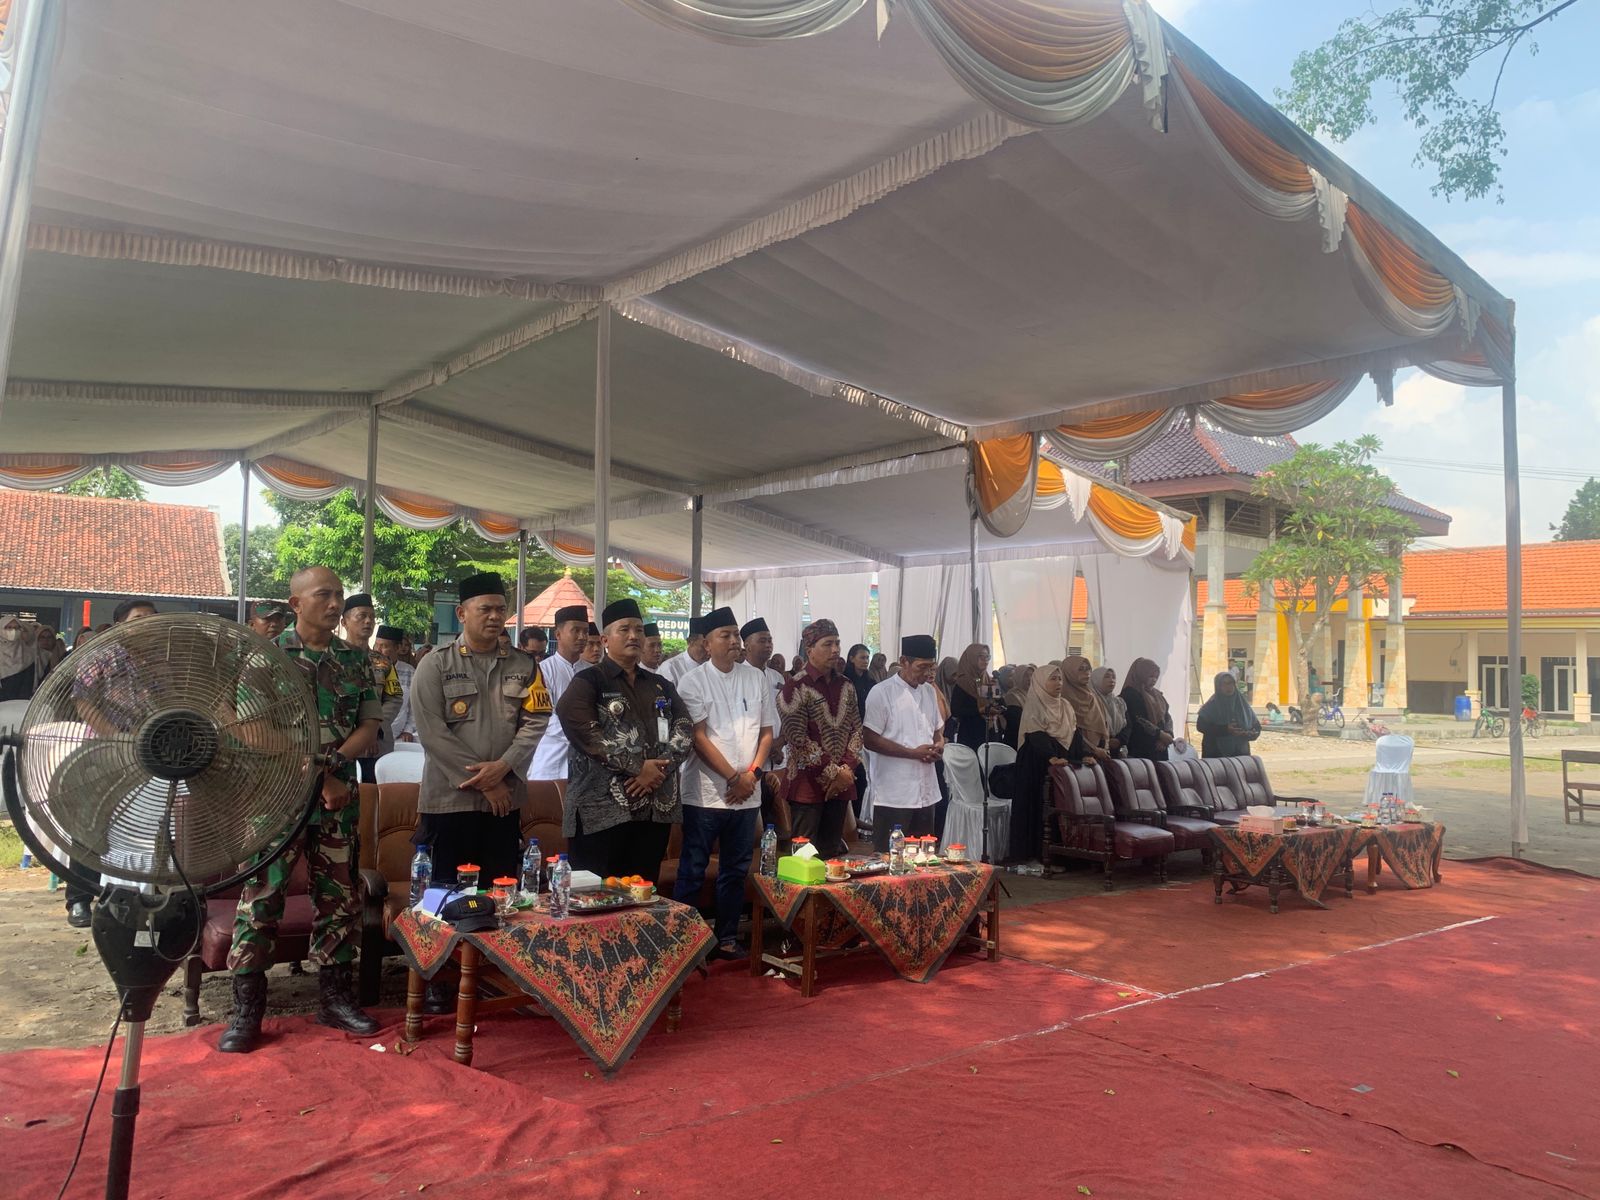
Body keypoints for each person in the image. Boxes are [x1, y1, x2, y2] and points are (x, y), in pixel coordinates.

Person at [222, 566, 382, 1053]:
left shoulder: (356, 660)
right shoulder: (264, 658)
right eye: (323, 595)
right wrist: (320, 775)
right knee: (262, 900)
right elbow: (253, 731)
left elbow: (368, 726)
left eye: (339, 595)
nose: (335, 604)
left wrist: (336, 767)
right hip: (277, 800)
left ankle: (335, 999)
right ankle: (247, 1011)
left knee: (339, 899)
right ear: (296, 604)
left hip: (337, 803)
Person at [411, 573, 548, 887]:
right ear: (461, 613)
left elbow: (536, 721)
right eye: (485, 609)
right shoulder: (435, 664)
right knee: (447, 895)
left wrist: (503, 767)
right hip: (450, 801)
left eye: (500, 609)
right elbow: (432, 732)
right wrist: (486, 782)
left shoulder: (525, 665)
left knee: (500, 892)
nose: (495, 616)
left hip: (503, 802)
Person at [556, 598, 693, 881]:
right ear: (605, 640)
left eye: (639, 630)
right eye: (625, 629)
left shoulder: (659, 684)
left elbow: (684, 727)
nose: (634, 636)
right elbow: (585, 732)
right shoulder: (589, 681)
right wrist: (637, 768)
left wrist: (658, 769)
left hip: (654, 810)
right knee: (596, 895)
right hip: (600, 813)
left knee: (643, 892)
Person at [675, 607, 775, 959]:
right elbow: (698, 738)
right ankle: (685, 945)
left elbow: (766, 732)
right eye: (726, 635)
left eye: (736, 635)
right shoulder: (693, 681)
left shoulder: (756, 678)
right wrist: (734, 777)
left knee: (735, 870)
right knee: (693, 870)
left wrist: (753, 775)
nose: (734, 641)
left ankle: (727, 939)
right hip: (705, 795)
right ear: (706, 643)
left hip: (748, 795)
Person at [62, 597, 160, 926]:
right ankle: (79, 898)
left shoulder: (162, 659)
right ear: (120, 625)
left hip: (149, 754)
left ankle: (142, 895)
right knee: (92, 822)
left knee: (147, 825)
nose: (147, 622)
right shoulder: (100, 656)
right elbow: (83, 701)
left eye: (151, 617)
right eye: (138, 617)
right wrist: (116, 736)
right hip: (105, 750)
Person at [777, 619, 862, 858]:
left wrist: (846, 770)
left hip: (841, 785)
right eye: (827, 644)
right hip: (807, 785)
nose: (835, 650)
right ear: (810, 649)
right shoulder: (794, 687)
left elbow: (857, 731)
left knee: (832, 856)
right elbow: (798, 739)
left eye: (837, 643)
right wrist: (836, 773)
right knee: (803, 858)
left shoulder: (847, 685)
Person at [862, 635, 943, 852]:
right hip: (894, 794)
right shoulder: (882, 692)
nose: (927, 673)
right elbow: (870, 739)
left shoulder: (929, 691)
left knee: (923, 857)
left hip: (926, 790)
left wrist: (939, 745)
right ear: (904, 661)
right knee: (890, 859)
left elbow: (937, 729)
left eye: (931, 667)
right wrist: (913, 753)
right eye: (921, 667)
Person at [1013, 662, 1094, 863]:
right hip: (1037, 764)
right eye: (1053, 679)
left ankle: (1065, 855)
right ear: (1040, 682)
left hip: (1061, 762)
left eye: (1060, 679)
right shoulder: (1035, 704)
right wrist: (1051, 757)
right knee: (1041, 807)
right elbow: (1036, 735)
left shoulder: (1065, 705)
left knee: (1062, 805)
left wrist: (1083, 755)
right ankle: (1040, 855)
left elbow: (1074, 733)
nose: (1058, 683)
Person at [528, 604, 589, 802]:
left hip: (587, 766)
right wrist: (587, 733)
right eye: (576, 630)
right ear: (558, 634)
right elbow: (545, 717)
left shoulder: (594, 673)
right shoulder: (542, 671)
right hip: (551, 762)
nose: (582, 637)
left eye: (585, 631)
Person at [1061, 655, 1114, 763]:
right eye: (1081, 669)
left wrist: (1104, 748)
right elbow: (1071, 730)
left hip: (1099, 755)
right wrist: (1092, 750)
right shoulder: (1063, 698)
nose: (1086, 673)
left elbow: (1104, 725)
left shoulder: (1092, 697)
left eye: (1088, 669)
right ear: (1069, 672)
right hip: (1075, 757)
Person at [1196, 671, 1262, 758]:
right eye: (1224, 684)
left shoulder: (1242, 705)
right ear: (1218, 686)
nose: (1228, 687)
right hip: (1216, 753)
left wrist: (1250, 734)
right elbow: (1201, 726)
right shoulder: (1211, 706)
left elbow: (1256, 726)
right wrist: (1225, 729)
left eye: (1230, 683)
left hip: (1240, 753)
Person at [1121, 657, 1175, 762]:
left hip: (1161, 749)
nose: (1154, 680)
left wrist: (1168, 735)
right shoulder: (1130, 694)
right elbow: (1138, 719)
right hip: (1141, 749)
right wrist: (1160, 735)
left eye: (1156, 677)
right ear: (1141, 674)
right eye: (1150, 676)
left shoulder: (1157, 695)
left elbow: (1167, 716)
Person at [948, 643, 1001, 749]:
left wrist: (997, 694)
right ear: (972, 658)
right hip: (970, 735)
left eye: (987, 657)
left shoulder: (988, 679)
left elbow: (999, 703)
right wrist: (979, 710)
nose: (985, 661)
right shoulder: (963, 682)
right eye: (981, 657)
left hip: (990, 733)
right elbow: (956, 710)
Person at [373, 624, 416, 745]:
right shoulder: (367, 669)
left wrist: (408, 729)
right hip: (370, 736)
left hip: (399, 738)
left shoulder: (409, 672)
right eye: (376, 645)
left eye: (384, 646)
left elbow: (414, 706)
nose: (378, 650)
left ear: (397, 648)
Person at [0, 614, 44, 702]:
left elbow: (28, 684)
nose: (13, 631)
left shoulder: (28, 654)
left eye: (17, 628)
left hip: (19, 704)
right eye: (8, 627)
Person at [659, 616, 709, 686]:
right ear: (690, 642)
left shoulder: (713, 667)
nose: (708, 651)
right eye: (704, 646)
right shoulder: (670, 668)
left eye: (711, 646)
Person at [1091, 666, 1128, 754]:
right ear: (1096, 679)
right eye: (1107, 676)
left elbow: (1128, 725)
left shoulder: (1119, 703)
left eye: (1113, 677)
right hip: (1097, 751)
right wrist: (1107, 741)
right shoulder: (1090, 701)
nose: (1112, 680)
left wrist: (1119, 740)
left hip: (1117, 751)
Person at [1002, 663, 1035, 748]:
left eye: (1031, 675)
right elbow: (1016, 722)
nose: (1029, 678)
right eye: (1025, 675)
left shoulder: (1034, 695)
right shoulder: (1012, 696)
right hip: (1016, 740)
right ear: (1018, 677)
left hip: (1032, 740)